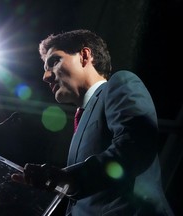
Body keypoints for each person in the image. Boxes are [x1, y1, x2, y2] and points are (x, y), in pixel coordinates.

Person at [11, 29, 174, 215]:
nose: (46, 77)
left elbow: (136, 146)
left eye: (54, 61)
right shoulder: (81, 122)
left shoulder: (121, 83)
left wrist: (66, 179)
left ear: (84, 56)